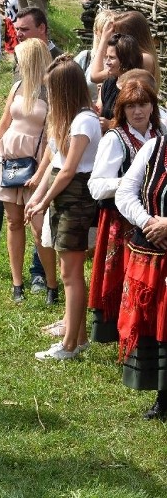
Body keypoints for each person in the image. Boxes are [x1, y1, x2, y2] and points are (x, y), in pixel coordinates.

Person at [27, 56, 101, 361]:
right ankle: (79, 337)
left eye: (52, 88)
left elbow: (70, 170)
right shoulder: (67, 118)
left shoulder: (84, 121)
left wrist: (44, 201)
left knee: (71, 273)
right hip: (63, 193)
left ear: (65, 88)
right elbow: (55, 163)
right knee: (67, 270)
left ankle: (70, 345)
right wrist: (39, 194)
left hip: (77, 197)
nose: (48, 95)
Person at [88, 80, 164, 344]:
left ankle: (149, 332)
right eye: (131, 106)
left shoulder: (161, 136)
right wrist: (134, 182)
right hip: (120, 223)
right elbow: (95, 186)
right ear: (122, 109)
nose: (138, 112)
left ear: (152, 107)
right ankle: (120, 333)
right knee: (122, 278)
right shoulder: (115, 138)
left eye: (143, 104)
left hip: (155, 223)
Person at [0, 38, 56, 303]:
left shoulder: (52, 91)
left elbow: (55, 137)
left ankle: (51, 284)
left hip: (36, 166)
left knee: (38, 228)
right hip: (9, 162)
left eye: (20, 58)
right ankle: (17, 284)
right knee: (13, 223)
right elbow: (2, 125)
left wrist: (42, 172)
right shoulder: (17, 87)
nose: (16, 63)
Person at [114, 123, 167, 421]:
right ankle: (163, 397)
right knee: (159, 329)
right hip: (154, 255)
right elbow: (125, 193)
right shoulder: (154, 148)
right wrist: (150, 223)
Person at [93, 33, 144, 126]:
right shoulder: (108, 83)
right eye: (106, 57)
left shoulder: (139, 87)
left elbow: (141, 123)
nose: (107, 62)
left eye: (111, 58)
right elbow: (98, 110)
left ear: (126, 59)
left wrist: (110, 124)